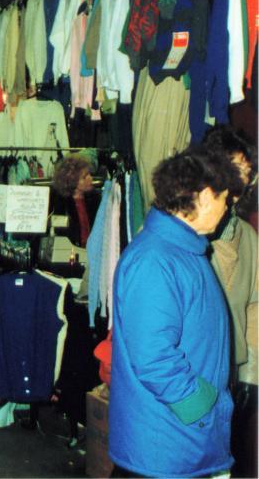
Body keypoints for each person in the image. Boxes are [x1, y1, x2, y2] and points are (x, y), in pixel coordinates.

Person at [109, 148, 243, 477]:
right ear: (207, 197)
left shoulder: (182, 249)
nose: (227, 209)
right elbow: (153, 357)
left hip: (178, 438)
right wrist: (201, 405)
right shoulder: (156, 259)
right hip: (166, 445)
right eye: (225, 199)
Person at [201, 124, 258, 479]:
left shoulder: (248, 237)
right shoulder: (181, 236)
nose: (242, 187)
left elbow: (254, 307)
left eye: (247, 177)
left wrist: (251, 379)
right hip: (188, 385)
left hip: (231, 383)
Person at [51, 153, 100, 246]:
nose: (91, 178)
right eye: (85, 176)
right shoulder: (60, 204)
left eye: (89, 174)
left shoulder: (96, 199)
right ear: (72, 180)